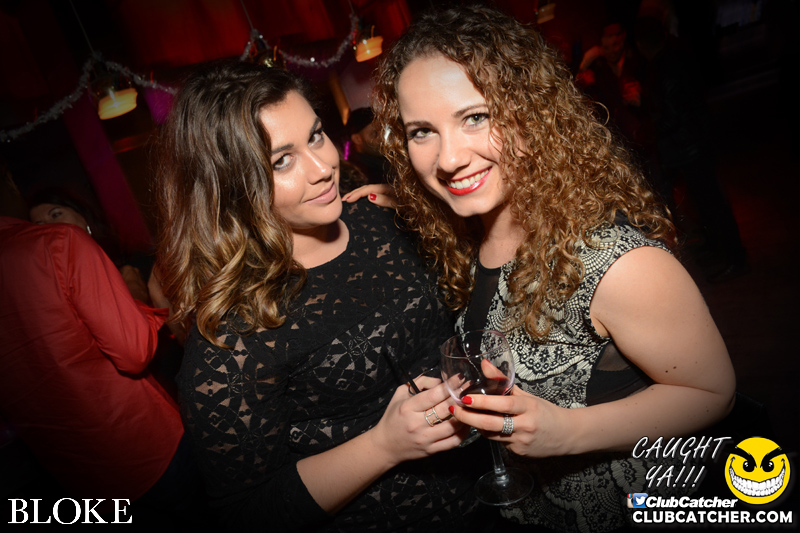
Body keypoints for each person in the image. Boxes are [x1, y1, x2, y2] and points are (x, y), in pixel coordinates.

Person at [370, 6, 736, 532]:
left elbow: (712, 394)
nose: (448, 159)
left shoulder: (617, 261)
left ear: (531, 111)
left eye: (475, 117)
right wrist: (393, 200)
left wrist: (564, 432)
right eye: (422, 131)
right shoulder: (468, 235)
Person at [154, 60, 493, 532]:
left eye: (315, 136)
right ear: (230, 188)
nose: (323, 167)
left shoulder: (385, 217)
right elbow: (245, 514)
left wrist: (423, 204)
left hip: (496, 491)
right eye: (281, 161)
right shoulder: (231, 338)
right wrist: (383, 446)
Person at [0, 166, 196, 520]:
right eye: (38, 222)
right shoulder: (56, 250)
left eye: (55, 214)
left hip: (88, 473)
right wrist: (137, 299)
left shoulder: (132, 258)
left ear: (83, 216)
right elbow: (134, 352)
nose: (48, 226)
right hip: (142, 451)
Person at [344, 107, 390, 185]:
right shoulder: (360, 176)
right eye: (375, 134)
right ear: (357, 139)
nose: (383, 138)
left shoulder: (382, 160)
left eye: (383, 131)